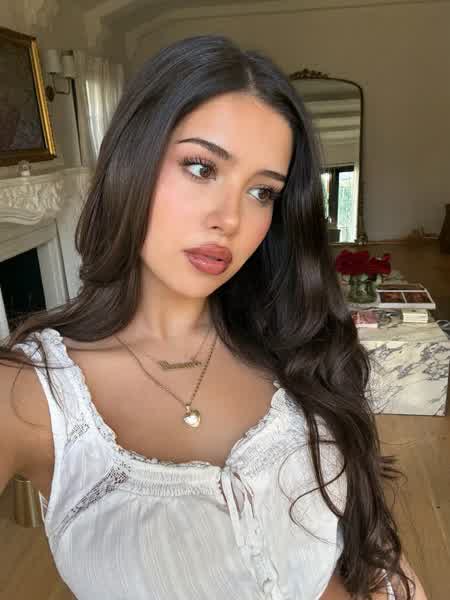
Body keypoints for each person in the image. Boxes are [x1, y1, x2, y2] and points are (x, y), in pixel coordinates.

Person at [0, 35, 427, 600]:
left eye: (262, 192)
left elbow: (372, 548)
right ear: (131, 161)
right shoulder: (29, 393)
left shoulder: (296, 344)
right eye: (201, 167)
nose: (230, 219)